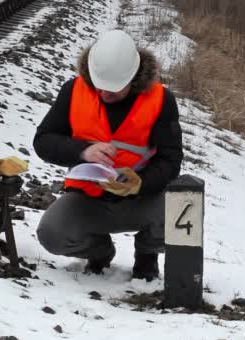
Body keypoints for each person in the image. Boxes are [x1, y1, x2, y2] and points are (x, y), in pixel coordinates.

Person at [32, 29, 183, 281]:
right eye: (99, 87)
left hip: (141, 200)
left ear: (134, 78)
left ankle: (147, 256)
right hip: (89, 199)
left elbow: (171, 160)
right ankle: (99, 251)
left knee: (182, 207)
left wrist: (141, 182)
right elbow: (43, 141)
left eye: (113, 89)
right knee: (52, 234)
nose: (104, 94)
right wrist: (82, 150)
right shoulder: (73, 90)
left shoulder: (161, 100)